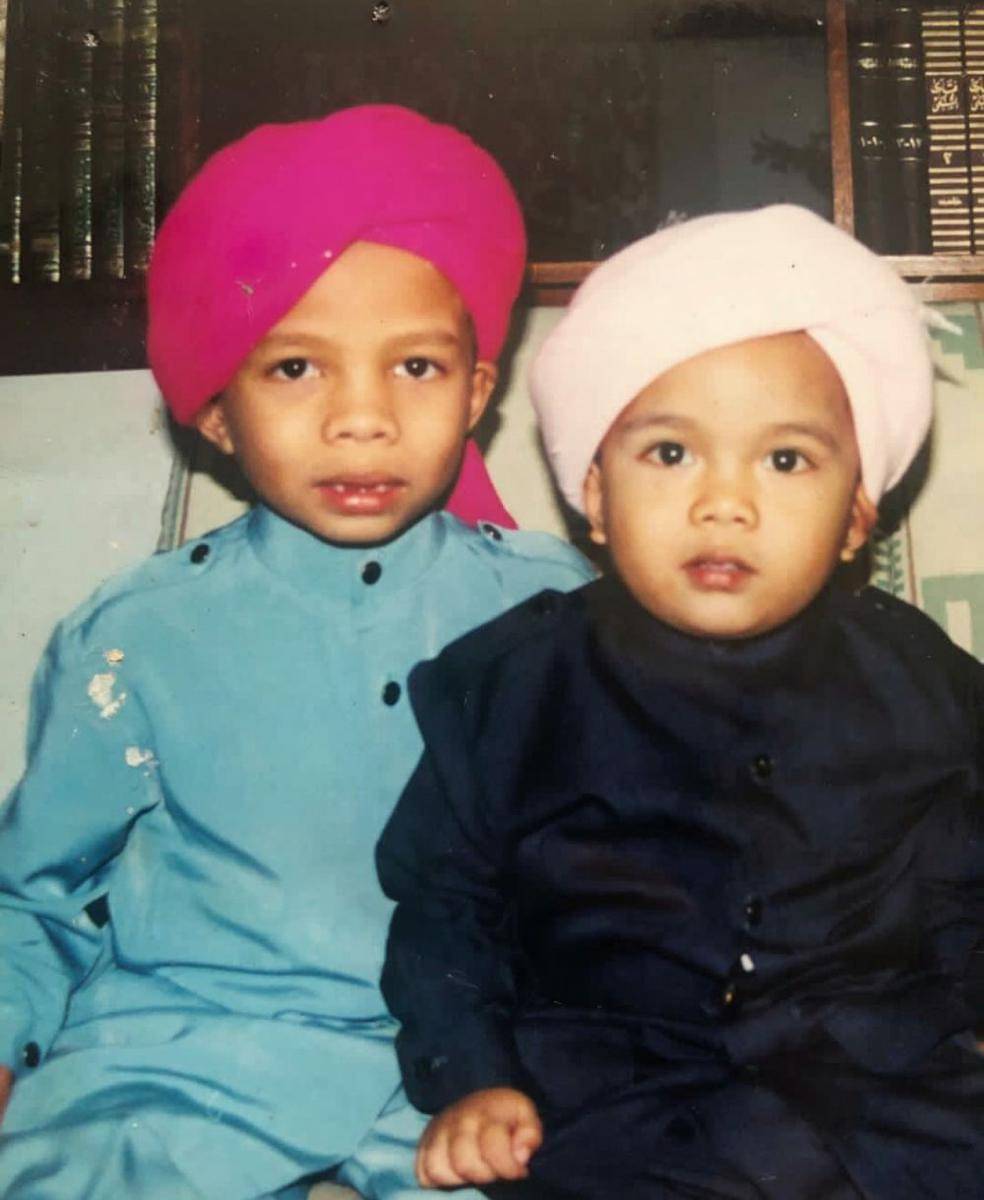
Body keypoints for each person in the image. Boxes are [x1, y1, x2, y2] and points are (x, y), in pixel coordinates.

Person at [0, 105, 593, 1200]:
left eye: (415, 366)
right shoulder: (135, 637)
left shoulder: (562, 614)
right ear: (216, 411)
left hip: (474, 1068)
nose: (361, 418)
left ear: (477, 390)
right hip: (183, 1058)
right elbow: (33, 894)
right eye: (294, 370)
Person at [377, 205, 984, 1200]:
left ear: (855, 518)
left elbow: (966, 879)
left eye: (784, 460)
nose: (723, 503)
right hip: (620, 1093)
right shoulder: (509, 686)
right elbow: (447, 909)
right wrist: (473, 1077)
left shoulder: (915, 674)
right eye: (670, 454)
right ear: (596, 494)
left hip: (878, 1087)